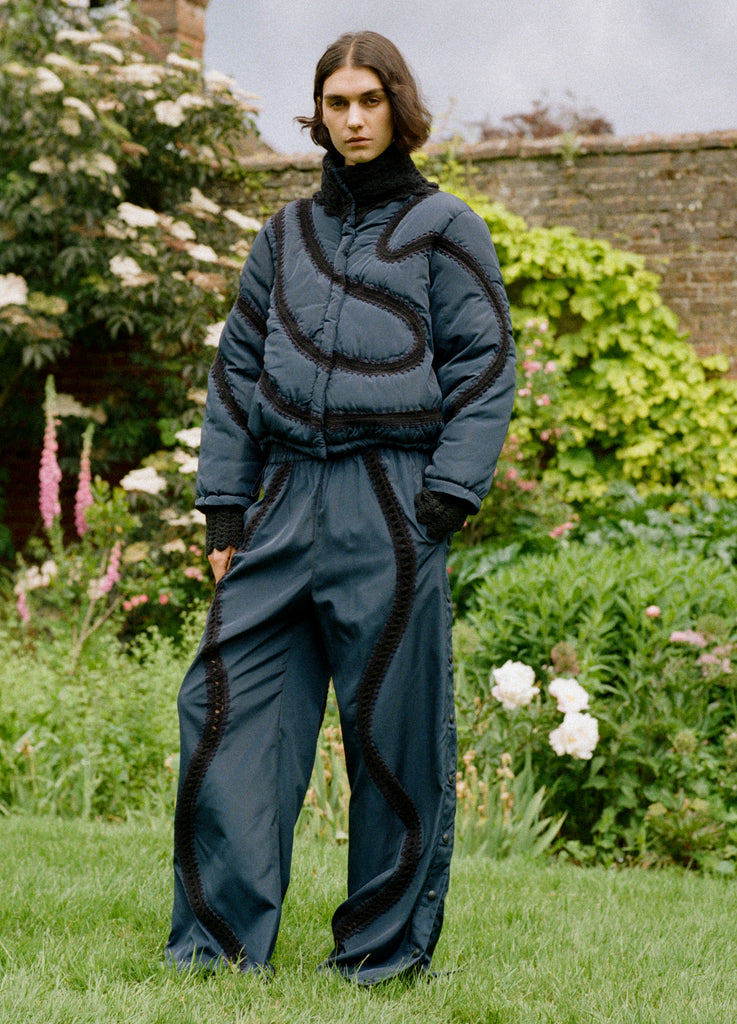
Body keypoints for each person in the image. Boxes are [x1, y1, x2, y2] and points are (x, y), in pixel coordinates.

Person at [166, 30, 516, 984]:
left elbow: (485, 365)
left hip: (391, 506)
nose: (353, 119)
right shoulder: (284, 235)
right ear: (317, 115)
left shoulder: (446, 227)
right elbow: (237, 372)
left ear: (397, 105)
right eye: (336, 103)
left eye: (369, 100)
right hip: (284, 501)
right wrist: (225, 510)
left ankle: (378, 955)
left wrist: (442, 501)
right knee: (226, 706)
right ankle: (217, 946)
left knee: (393, 740)